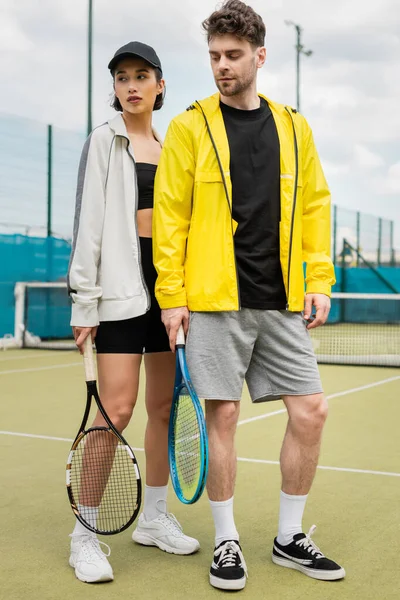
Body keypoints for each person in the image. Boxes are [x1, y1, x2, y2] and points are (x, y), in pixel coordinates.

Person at [153, 1, 345, 591]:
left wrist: (318, 279)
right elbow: (171, 219)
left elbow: (315, 205)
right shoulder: (189, 126)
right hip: (214, 301)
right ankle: (227, 540)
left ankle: (290, 537)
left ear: (260, 56)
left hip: (284, 299)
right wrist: (173, 295)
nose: (221, 67)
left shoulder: (294, 125)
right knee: (224, 415)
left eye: (233, 56)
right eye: (214, 56)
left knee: (311, 411)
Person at [67, 41, 199, 584]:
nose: (132, 85)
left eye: (142, 75)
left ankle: (154, 518)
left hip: (168, 295)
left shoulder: (173, 149)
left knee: (162, 409)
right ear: (116, 88)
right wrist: (85, 301)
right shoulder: (104, 141)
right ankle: (86, 534)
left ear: (161, 85)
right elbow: (89, 223)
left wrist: (184, 295)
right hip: (120, 296)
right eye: (122, 77)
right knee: (114, 412)